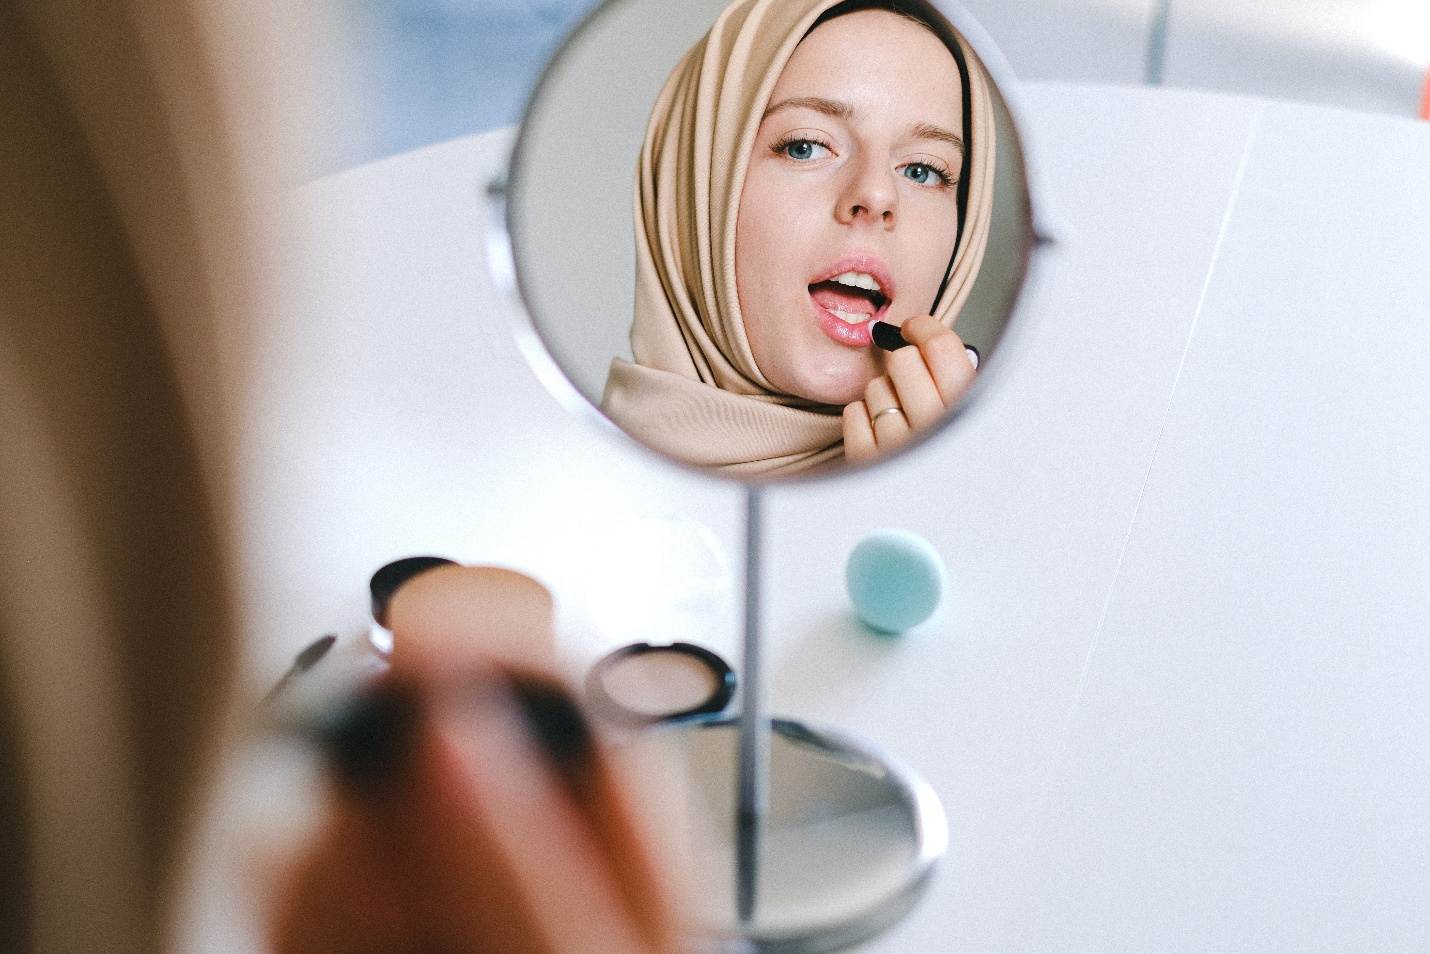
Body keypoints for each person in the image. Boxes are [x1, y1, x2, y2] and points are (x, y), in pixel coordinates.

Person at [602, 0, 996, 476]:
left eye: (923, 170)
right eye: (804, 146)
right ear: (695, 189)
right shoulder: (552, 501)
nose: (876, 194)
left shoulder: (1011, 509)